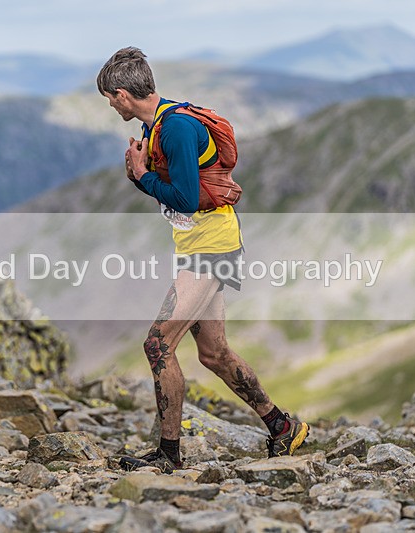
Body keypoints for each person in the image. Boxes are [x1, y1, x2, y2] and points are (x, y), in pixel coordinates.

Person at [97, 47, 309, 474]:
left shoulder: (173, 129)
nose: (109, 104)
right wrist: (144, 179)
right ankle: (281, 425)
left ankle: (168, 455)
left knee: (158, 345)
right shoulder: (157, 121)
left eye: (108, 97)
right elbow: (176, 199)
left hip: (211, 249)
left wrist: (142, 176)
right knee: (213, 353)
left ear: (122, 94)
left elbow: (187, 200)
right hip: (205, 245)